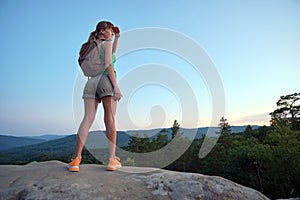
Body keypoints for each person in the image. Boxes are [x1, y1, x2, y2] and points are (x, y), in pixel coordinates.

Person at [68, 21, 122, 172]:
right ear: (103, 30)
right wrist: (116, 86)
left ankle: (76, 159)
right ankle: (112, 159)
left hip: (91, 83)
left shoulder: (92, 45)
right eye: (111, 30)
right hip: (105, 80)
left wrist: (117, 37)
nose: (112, 32)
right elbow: (109, 64)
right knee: (109, 118)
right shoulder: (106, 43)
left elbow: (111, 54)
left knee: (87, 119)